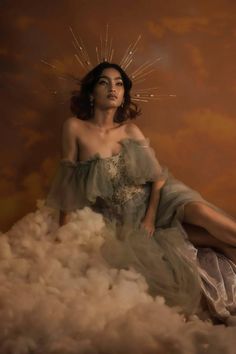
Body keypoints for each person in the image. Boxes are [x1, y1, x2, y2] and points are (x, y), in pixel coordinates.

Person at [45, 61, 236, 324]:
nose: (113, 88)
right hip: (123, 219)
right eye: (104, 82)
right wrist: (63, 228)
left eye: (119, 83)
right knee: (213, 243)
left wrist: (150, 216)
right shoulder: (75, 128)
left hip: (160, 199)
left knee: (204, 213)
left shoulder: (129, 130)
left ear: (124, 95)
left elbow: (157, 178)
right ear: (91, 92)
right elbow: (67, 179)